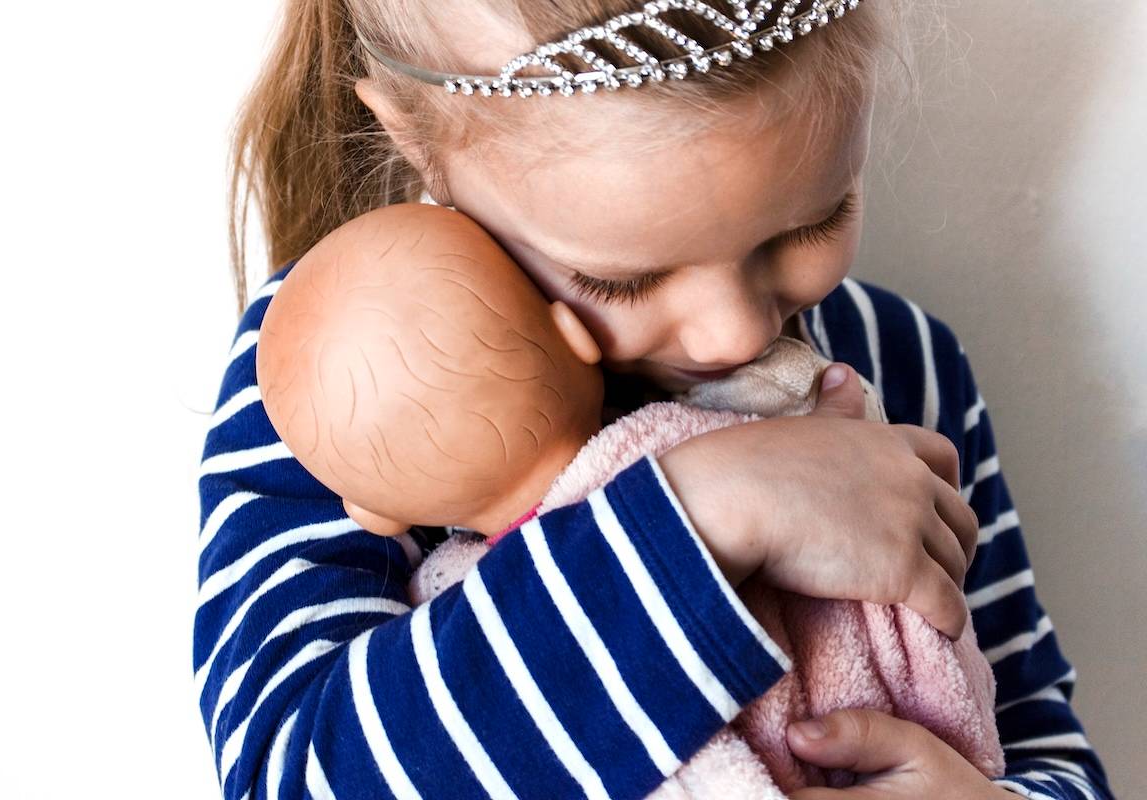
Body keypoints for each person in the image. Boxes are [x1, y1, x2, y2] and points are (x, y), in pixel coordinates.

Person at [195, 1, 1115, 798]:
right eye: (625, 280)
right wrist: (709, 514)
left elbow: (1041, 735)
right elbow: (298, 775)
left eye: (813, 221)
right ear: (418, 141)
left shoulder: (901, 363)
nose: (736, 334)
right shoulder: (352, 379)